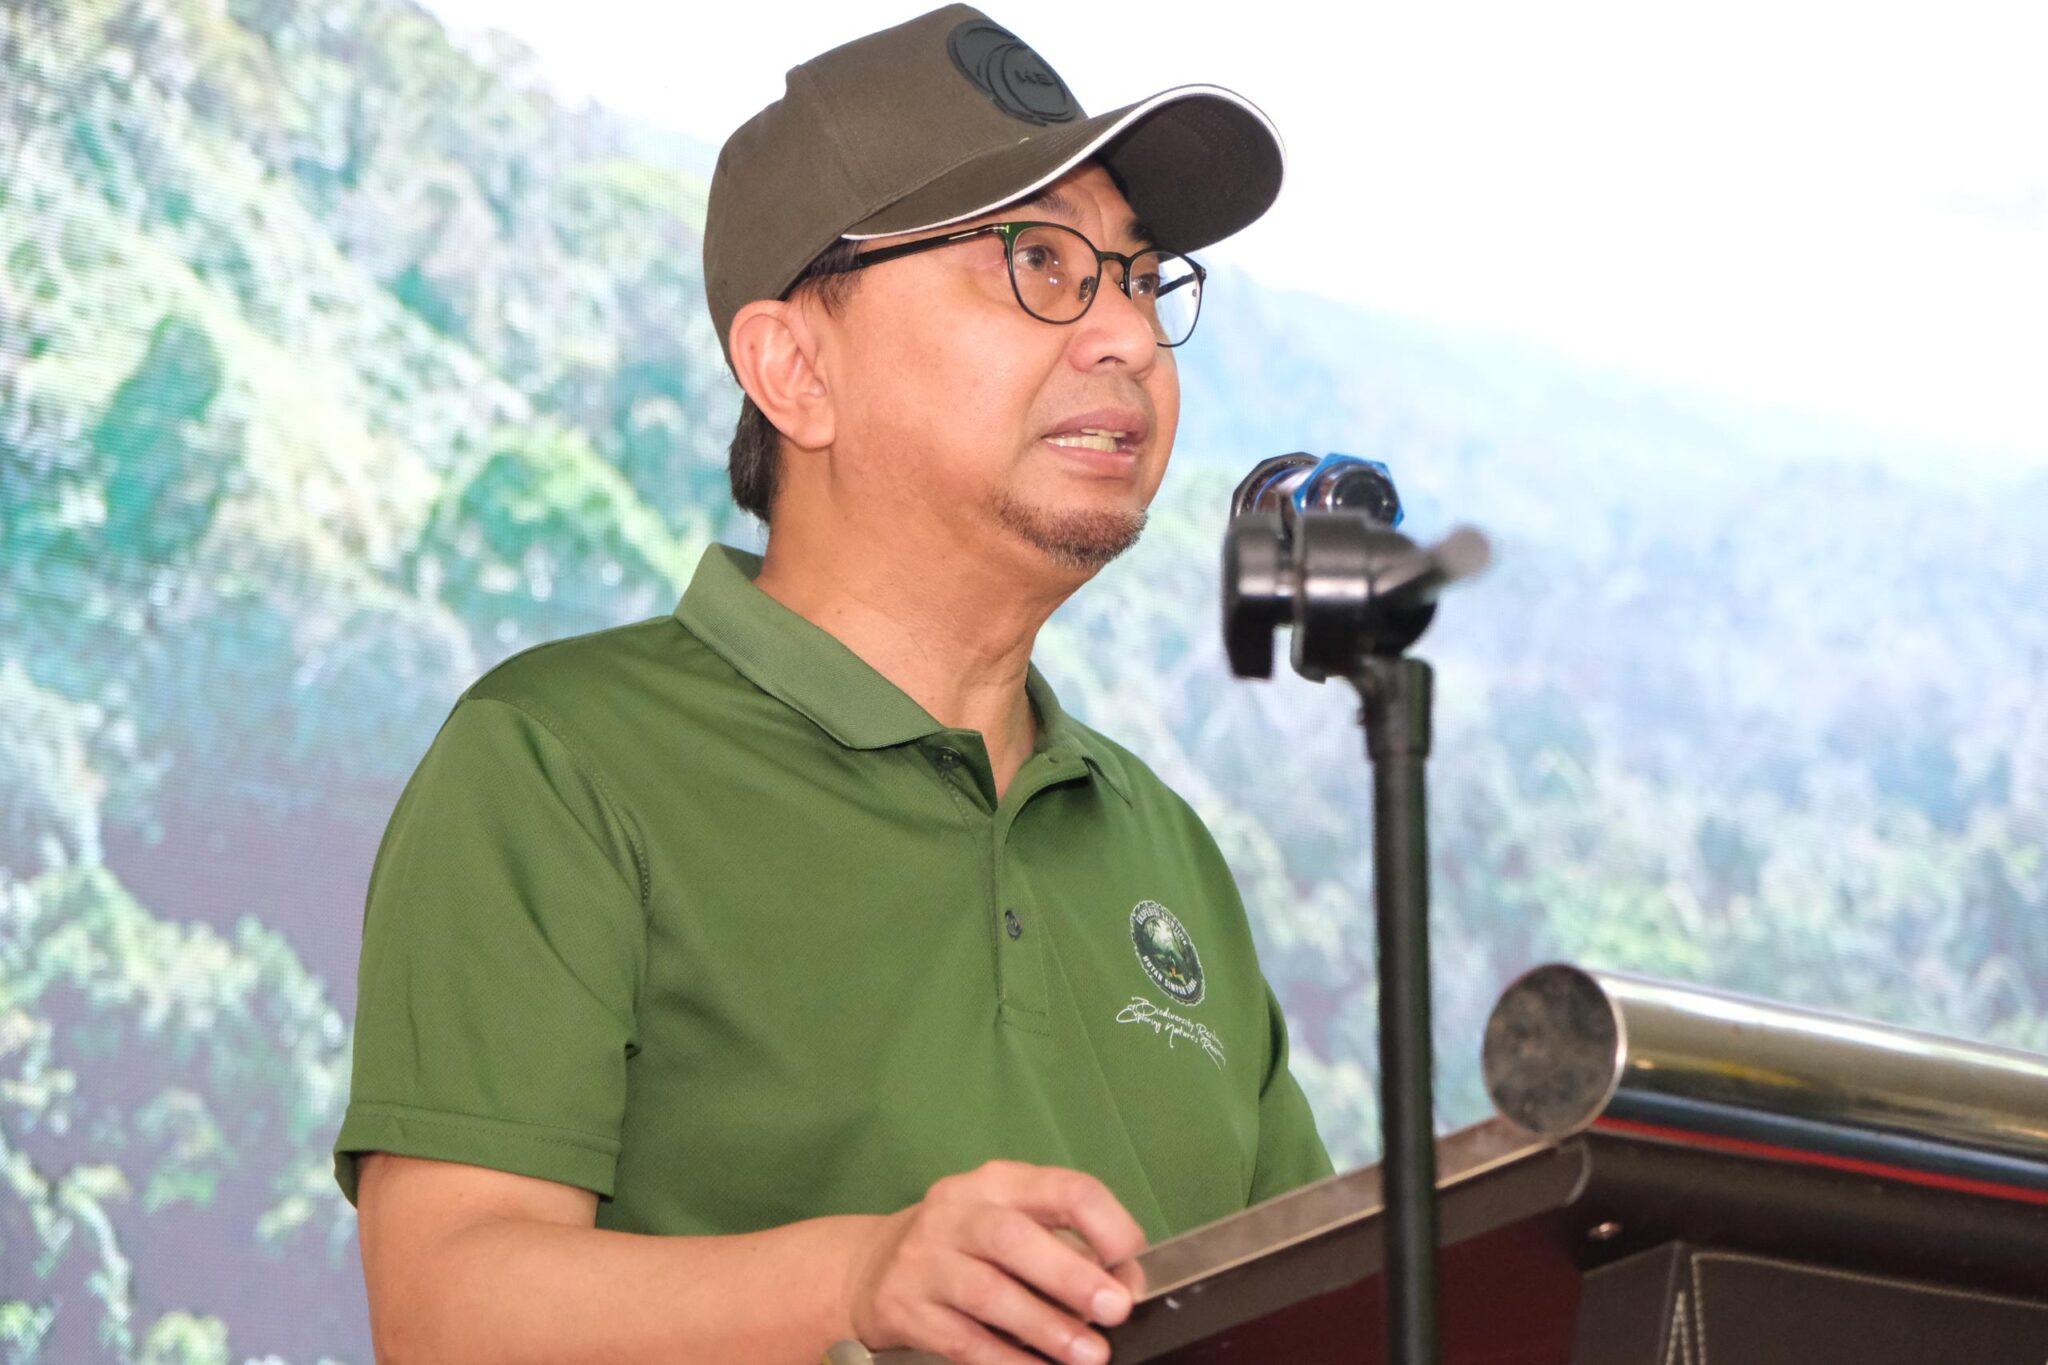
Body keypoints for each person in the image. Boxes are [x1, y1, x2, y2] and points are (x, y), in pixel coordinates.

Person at [334, 6, 1332, 1362]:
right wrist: (855, 1278)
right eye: (1040, 261)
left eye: (1143, 278)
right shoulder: (559, 760)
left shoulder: (1163, 845)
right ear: (795, 369)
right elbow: (444, 1311)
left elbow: (1317, 1308)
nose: (1126, 336)